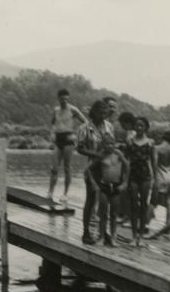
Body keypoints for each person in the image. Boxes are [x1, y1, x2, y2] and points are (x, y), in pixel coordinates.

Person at [77, 100, 115, 245]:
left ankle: (103, 231)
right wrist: (96, 154)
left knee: (105, 201)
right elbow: (79, 148)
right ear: (94, 112)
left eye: (105, 112)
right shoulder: (85, 128)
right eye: (100, 112)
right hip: (92, 167)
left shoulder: (109, 126)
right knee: (91, 199)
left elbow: (112, 144)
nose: (103, 114)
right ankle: (86, 232)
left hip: (108, 167)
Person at [86, 134, 129, 247]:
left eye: (111, 143)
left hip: (116, 186)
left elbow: (127, 166)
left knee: (114, 214)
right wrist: (94, 184)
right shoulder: (101, 156)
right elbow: (89, 170)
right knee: (103, 213)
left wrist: (125, 182)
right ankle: (101, 237)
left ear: (114, 144)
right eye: (107, 144)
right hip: (104, 186)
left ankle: (113, 238)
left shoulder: (118, 154)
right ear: (103, 145)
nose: (109, 146)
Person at [47, 89, 87, 203]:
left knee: (67, 167)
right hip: (58, 139)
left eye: (66, 99)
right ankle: (50, 192)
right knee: (54, 168)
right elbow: (53, 124)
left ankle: (65, 193)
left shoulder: (73, 109)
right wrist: (52, 136)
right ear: (58, 98)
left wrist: (77, 135)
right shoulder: (56, 110)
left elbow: (85, 122)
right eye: (62, 98)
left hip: (69, 139)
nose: (64, 101)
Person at [126, 117, 156, 246]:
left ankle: (141, 237)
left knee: (144, 205)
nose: (139, 128)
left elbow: (154, 162)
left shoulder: (150, 143)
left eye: (142, 126)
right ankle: (133, 236)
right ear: (134, 127)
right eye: (137, 125)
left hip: (145, 176)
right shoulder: (130, 141)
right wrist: (124, 178)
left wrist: (156, 179)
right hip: (133, 175)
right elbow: (126, 160)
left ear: (146, 128)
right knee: (133, 204)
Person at [149, 130, 170, 227]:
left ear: (163, 138)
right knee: (169, 202)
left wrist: (153, 177)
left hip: (159, 177)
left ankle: (146, 225)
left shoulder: (157, 148)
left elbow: (154, 163)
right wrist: (168, 168)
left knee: (153, 202)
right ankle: (168, 225)